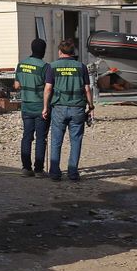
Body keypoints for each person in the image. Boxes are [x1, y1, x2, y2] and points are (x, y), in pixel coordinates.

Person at [41, 40, 92, 182]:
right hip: (78, 108)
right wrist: (91, 106)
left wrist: (45, 107)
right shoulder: (81, 67)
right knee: (76, 140)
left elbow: (48, 88)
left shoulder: (52, 67)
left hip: (59, 108)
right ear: (73, 52)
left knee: (56, 140)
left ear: (60, 52)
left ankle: (55, 173)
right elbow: (87, 89)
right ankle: (73, 172)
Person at [14, 38, 49, 177]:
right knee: (41, 138)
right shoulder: (44, 67)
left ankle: (26, 168)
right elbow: (48, 88)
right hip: (40, 107)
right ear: (44, 51)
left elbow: (16, 86)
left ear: (31, 48)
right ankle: (39, 170)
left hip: (26, 107)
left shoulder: (21, 65)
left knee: (27, 137)